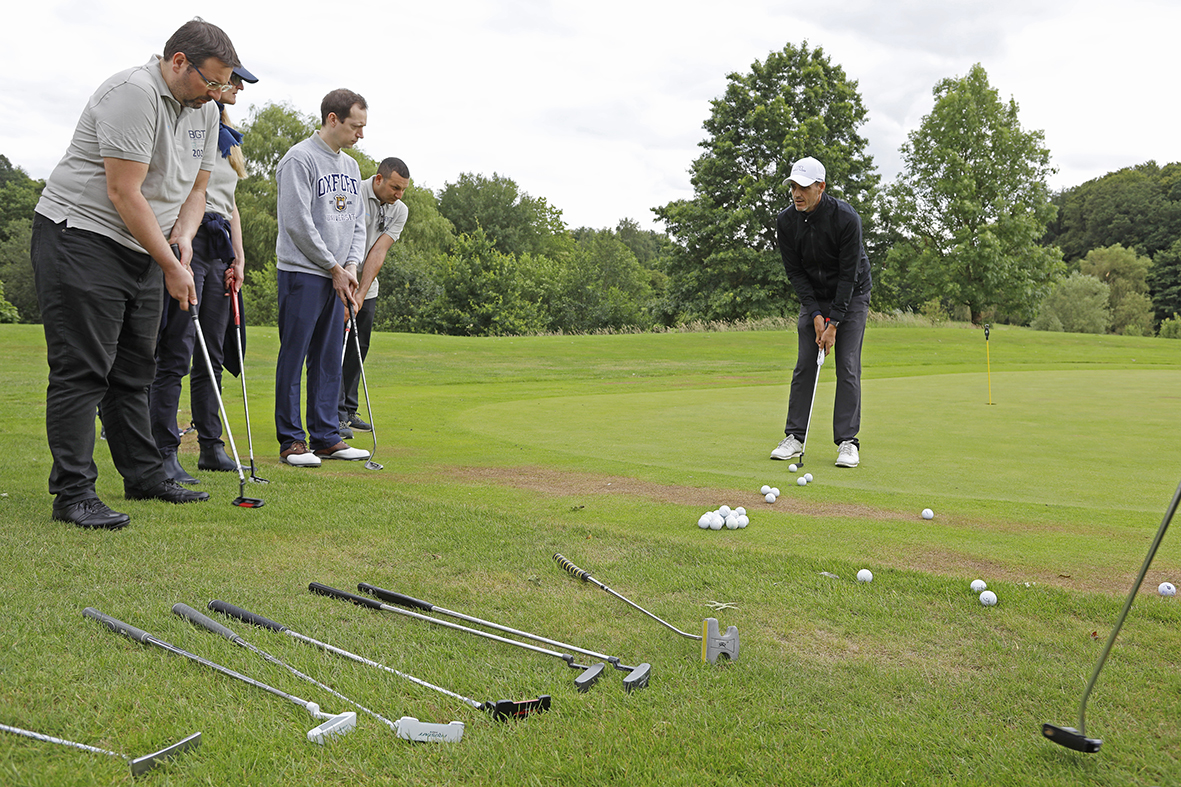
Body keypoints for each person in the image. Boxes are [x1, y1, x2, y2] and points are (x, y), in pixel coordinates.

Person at [30, 19, 238, 529]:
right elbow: (124, 192)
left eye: (222, 85)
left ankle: (144, 475)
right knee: (84, 369)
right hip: (81, 235)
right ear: (179, 61)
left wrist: (183, 238)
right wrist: (170, 264)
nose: (216, 93)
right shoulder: (133, 93)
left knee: (134, 370)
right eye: (210, 81)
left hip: (144, 243)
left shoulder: (205, 110)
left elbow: (197, 191)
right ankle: (74, 494)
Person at [150, 64, 259, 484]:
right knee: (176, 350)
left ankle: (211, 446)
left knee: (212, 354)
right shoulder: (189, 124)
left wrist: (239, 257)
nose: (238, 88)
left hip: (219, 248)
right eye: (234, 80)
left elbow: (230, 204)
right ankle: (163, 451)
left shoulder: (227, 137)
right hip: (187, 240)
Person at [274, 89, 372, 467]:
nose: (360, 134)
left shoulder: (351, 167)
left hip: (338, 276)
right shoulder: (299, 159)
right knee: (294, 355)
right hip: (303, 272)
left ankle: (326, 436)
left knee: (329, 357)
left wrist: (351, 266)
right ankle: (291, 441)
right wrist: (333, 267)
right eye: (355, 126)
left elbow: (357, 224)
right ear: (333, 119)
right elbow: (297, 223)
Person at [771, 156, 872, 468]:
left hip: (852, 294)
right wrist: (815, 314)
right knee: (805, 365)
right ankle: (794, 437)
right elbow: (796, 273)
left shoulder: (846, 218)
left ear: (821, 187)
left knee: (847, 366)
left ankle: (847, 442)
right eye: (793, 187)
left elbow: (848, 275)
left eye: (804, 187)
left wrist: (834, 323)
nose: (797, 194)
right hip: (814, 295)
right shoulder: (786, 222)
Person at [338, 157, 410, 440]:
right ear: (378, 179)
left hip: (366, 287)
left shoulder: (399, 210)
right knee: (335, 348)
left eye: (403, 189)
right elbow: (341, 239)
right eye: (395, 188)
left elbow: (379, 252)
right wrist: (348, 289)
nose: (399, 195)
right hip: (340, 280)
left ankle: (349, 409)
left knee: (358, 348)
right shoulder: (353, 192)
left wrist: (360, 294)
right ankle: (334, 415)